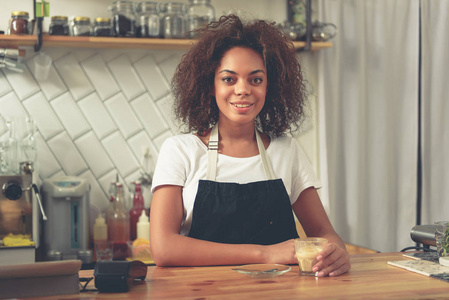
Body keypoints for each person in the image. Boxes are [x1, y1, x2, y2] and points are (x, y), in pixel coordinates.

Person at [150, 14, 350, 277]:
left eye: (255, 79)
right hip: (202, 293)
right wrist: (264, 254)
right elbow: (164, 249)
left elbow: (324, 233)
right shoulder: (180, 151)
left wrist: (337, 253)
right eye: (229, 79)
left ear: (270, 87)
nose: (243, 90)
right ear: (210, 85)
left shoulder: (286, 151)